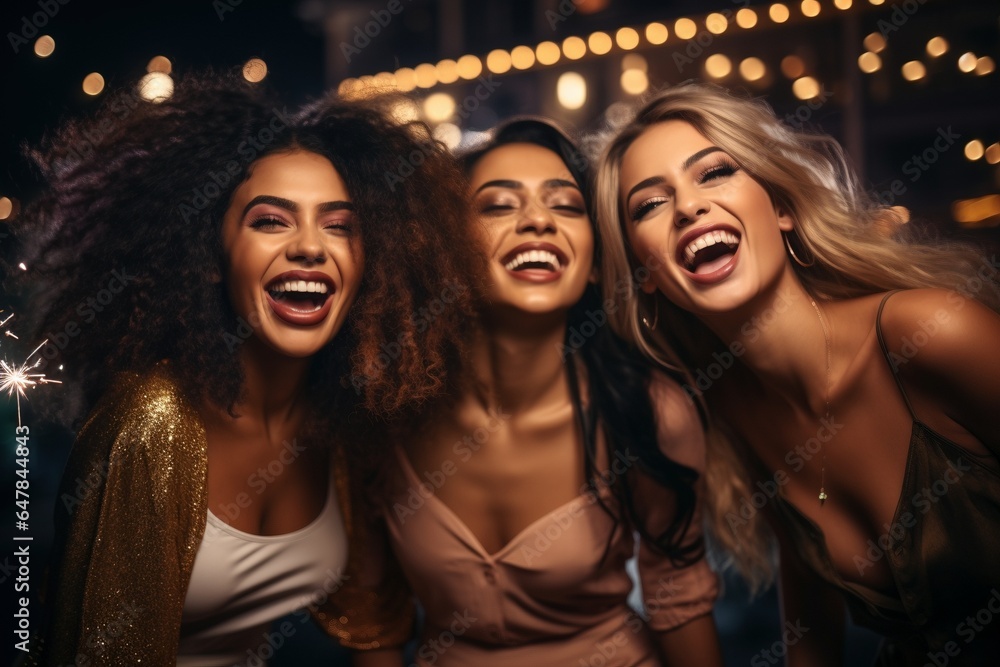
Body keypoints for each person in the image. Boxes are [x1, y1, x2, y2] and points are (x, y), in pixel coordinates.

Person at [7, 71, 479, 666]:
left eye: (338, 225)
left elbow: (374, 625)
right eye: (271, 220)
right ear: (210, 257)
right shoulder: (150, 425)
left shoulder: (343, 419)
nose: (311, 246)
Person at [593, 82, 1000, 666]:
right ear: (646, 274)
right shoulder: (730, 411)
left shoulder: (932, 334)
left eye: (713, 173)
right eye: (650, 205)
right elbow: (809, 619)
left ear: (782, 207)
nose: (687, 208)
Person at [371, 119, 722, 666]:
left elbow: (679, 602)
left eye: (565, 206)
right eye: (498, 206)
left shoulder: (650, 412)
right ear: (447, 249)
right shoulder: (385, 410)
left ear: (595, 263)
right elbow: (375, 621)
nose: (537, 220)